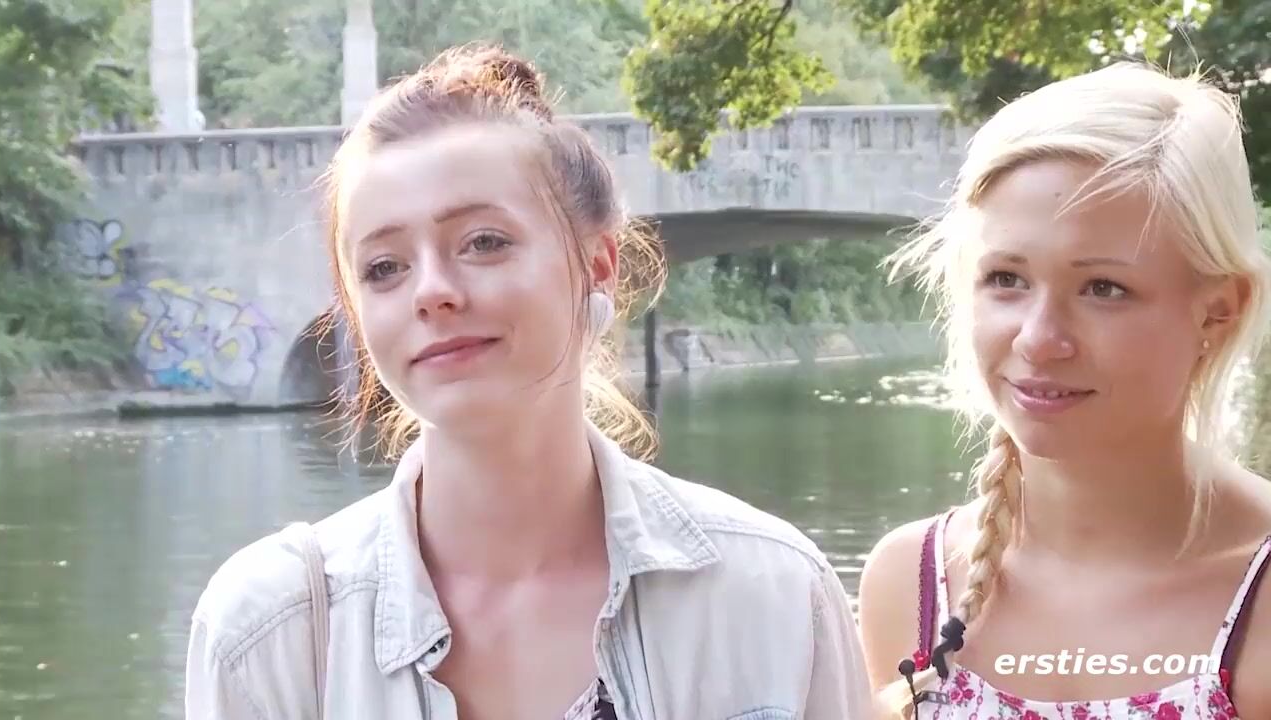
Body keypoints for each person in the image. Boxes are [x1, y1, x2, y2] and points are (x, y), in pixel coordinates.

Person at [184, 45, 871, 720]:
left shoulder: (775, 595)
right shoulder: (271, 635)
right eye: (384, 268)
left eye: (483, 242)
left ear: (598, 266)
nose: (432, 291)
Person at [859, 62, 1271, 719]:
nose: (1038, 339)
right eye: (1006, 279)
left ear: (1217, 313)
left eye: (1104, 288)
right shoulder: (910, 584)